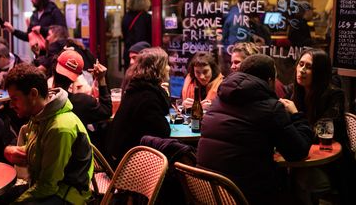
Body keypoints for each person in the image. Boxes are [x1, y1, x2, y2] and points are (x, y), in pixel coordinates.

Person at [197, 54, 313, 204]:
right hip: (242, 195)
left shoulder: (219, 99)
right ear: (270, 81)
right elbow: (298, 152)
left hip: (207, 191)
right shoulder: (271, 108)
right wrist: (297, 115)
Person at [3, 63, 93, 204]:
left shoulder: (59, 128)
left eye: (15, 99)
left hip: (67, 196)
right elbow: (38, 150)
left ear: (33, 94)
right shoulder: (39, 115)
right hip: (46, 187)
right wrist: (9, 151)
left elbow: (48, 186)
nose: (11, 105)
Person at [279, 48, 356, 205]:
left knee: (302, 180)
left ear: (320, 72)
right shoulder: (293, 91)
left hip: (330, 163)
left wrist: (295, 114)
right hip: (301, 156)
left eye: (309, 67)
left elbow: (320, 132)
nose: (302, 70)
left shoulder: (335, 95)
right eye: (301, 64)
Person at [107, 47, 171, 166]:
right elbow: (164, 131)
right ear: (158, 68)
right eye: (166, 64)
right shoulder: (147, 97)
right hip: (129, 167)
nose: (169, 68)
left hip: (119, 158)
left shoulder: (136, 89)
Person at [52, 50, 112, 126]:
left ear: (54, 69)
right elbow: (106, 111)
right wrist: (101, 79)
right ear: (77, 77)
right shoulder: (83, 102)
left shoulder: (41, 98)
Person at [122, 0, 151, 70]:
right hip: (142, 55)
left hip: (129, 53)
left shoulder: (126, 17)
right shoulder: (146, 17)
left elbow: (124, 35)